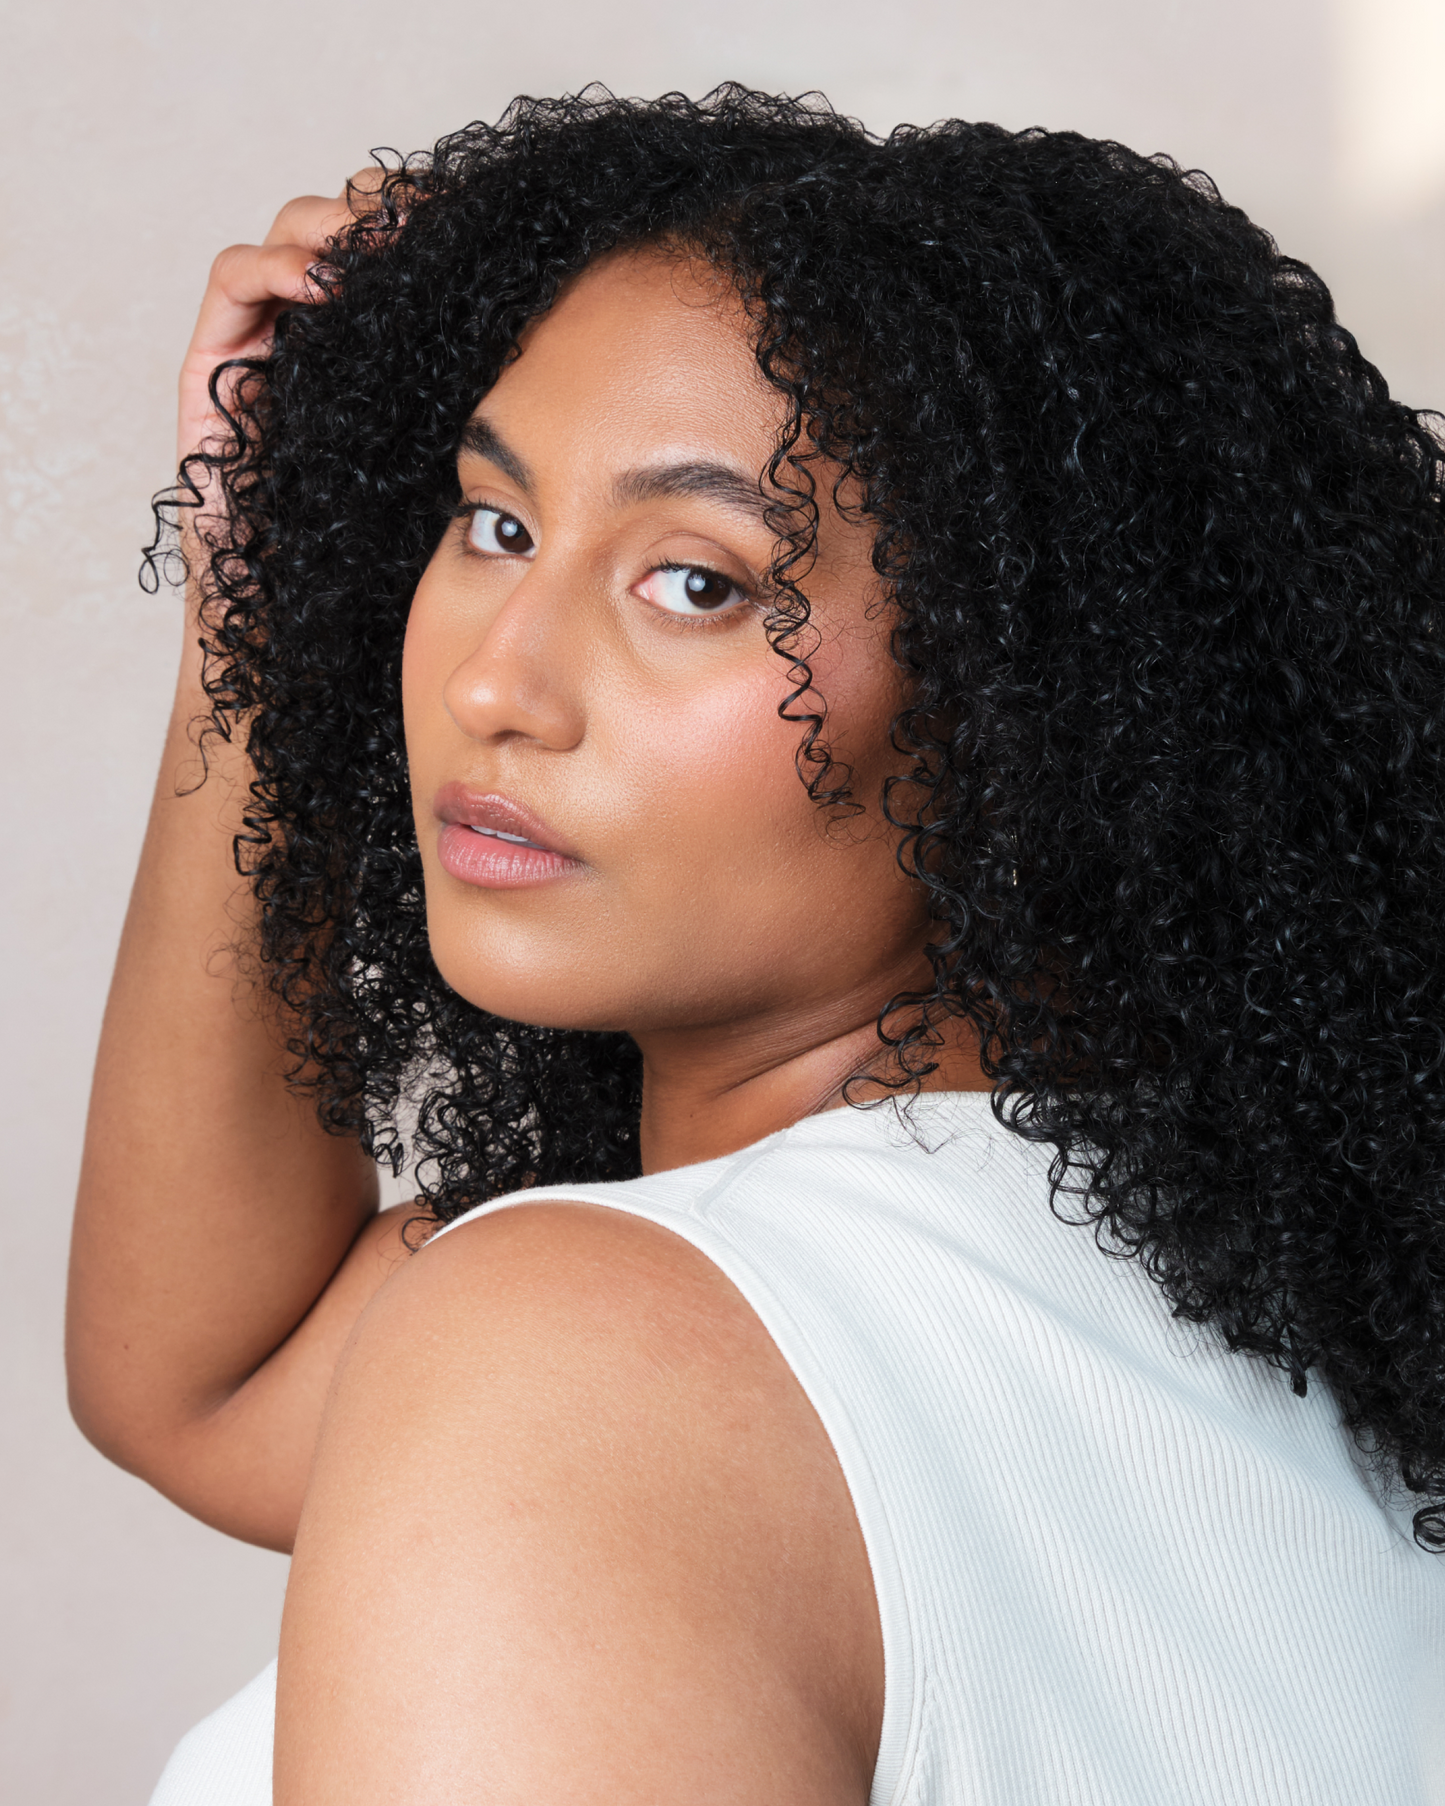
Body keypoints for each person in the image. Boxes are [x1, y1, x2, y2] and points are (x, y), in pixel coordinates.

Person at [67, 86, 1445, 1805]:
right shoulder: (1277, 1298)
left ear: (1029, 703)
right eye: (495, 524)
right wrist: (258, 593)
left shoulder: (596, 1352)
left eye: (698, 581)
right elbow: (209, 1378)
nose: (494, 681)